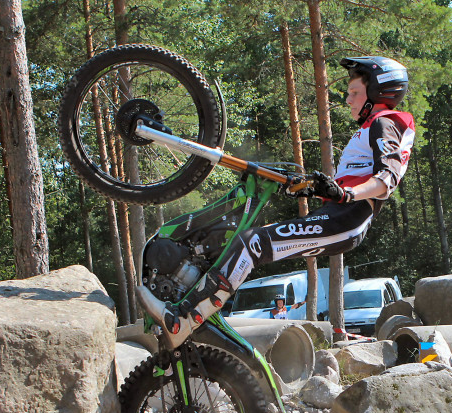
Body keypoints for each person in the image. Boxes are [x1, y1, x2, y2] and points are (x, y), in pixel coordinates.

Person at [159, 55, 416, 346]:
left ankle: (187, 318)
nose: (347, 100)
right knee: (235, 236)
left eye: (354, 92)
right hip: (339, 213)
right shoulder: (371, 126)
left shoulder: (387, 122)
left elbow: (386, 180)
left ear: (378, 93)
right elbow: (345, 184)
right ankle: (190, 295)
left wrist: (346, 194)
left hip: (348, 218)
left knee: (252, 243)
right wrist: (312, 188)